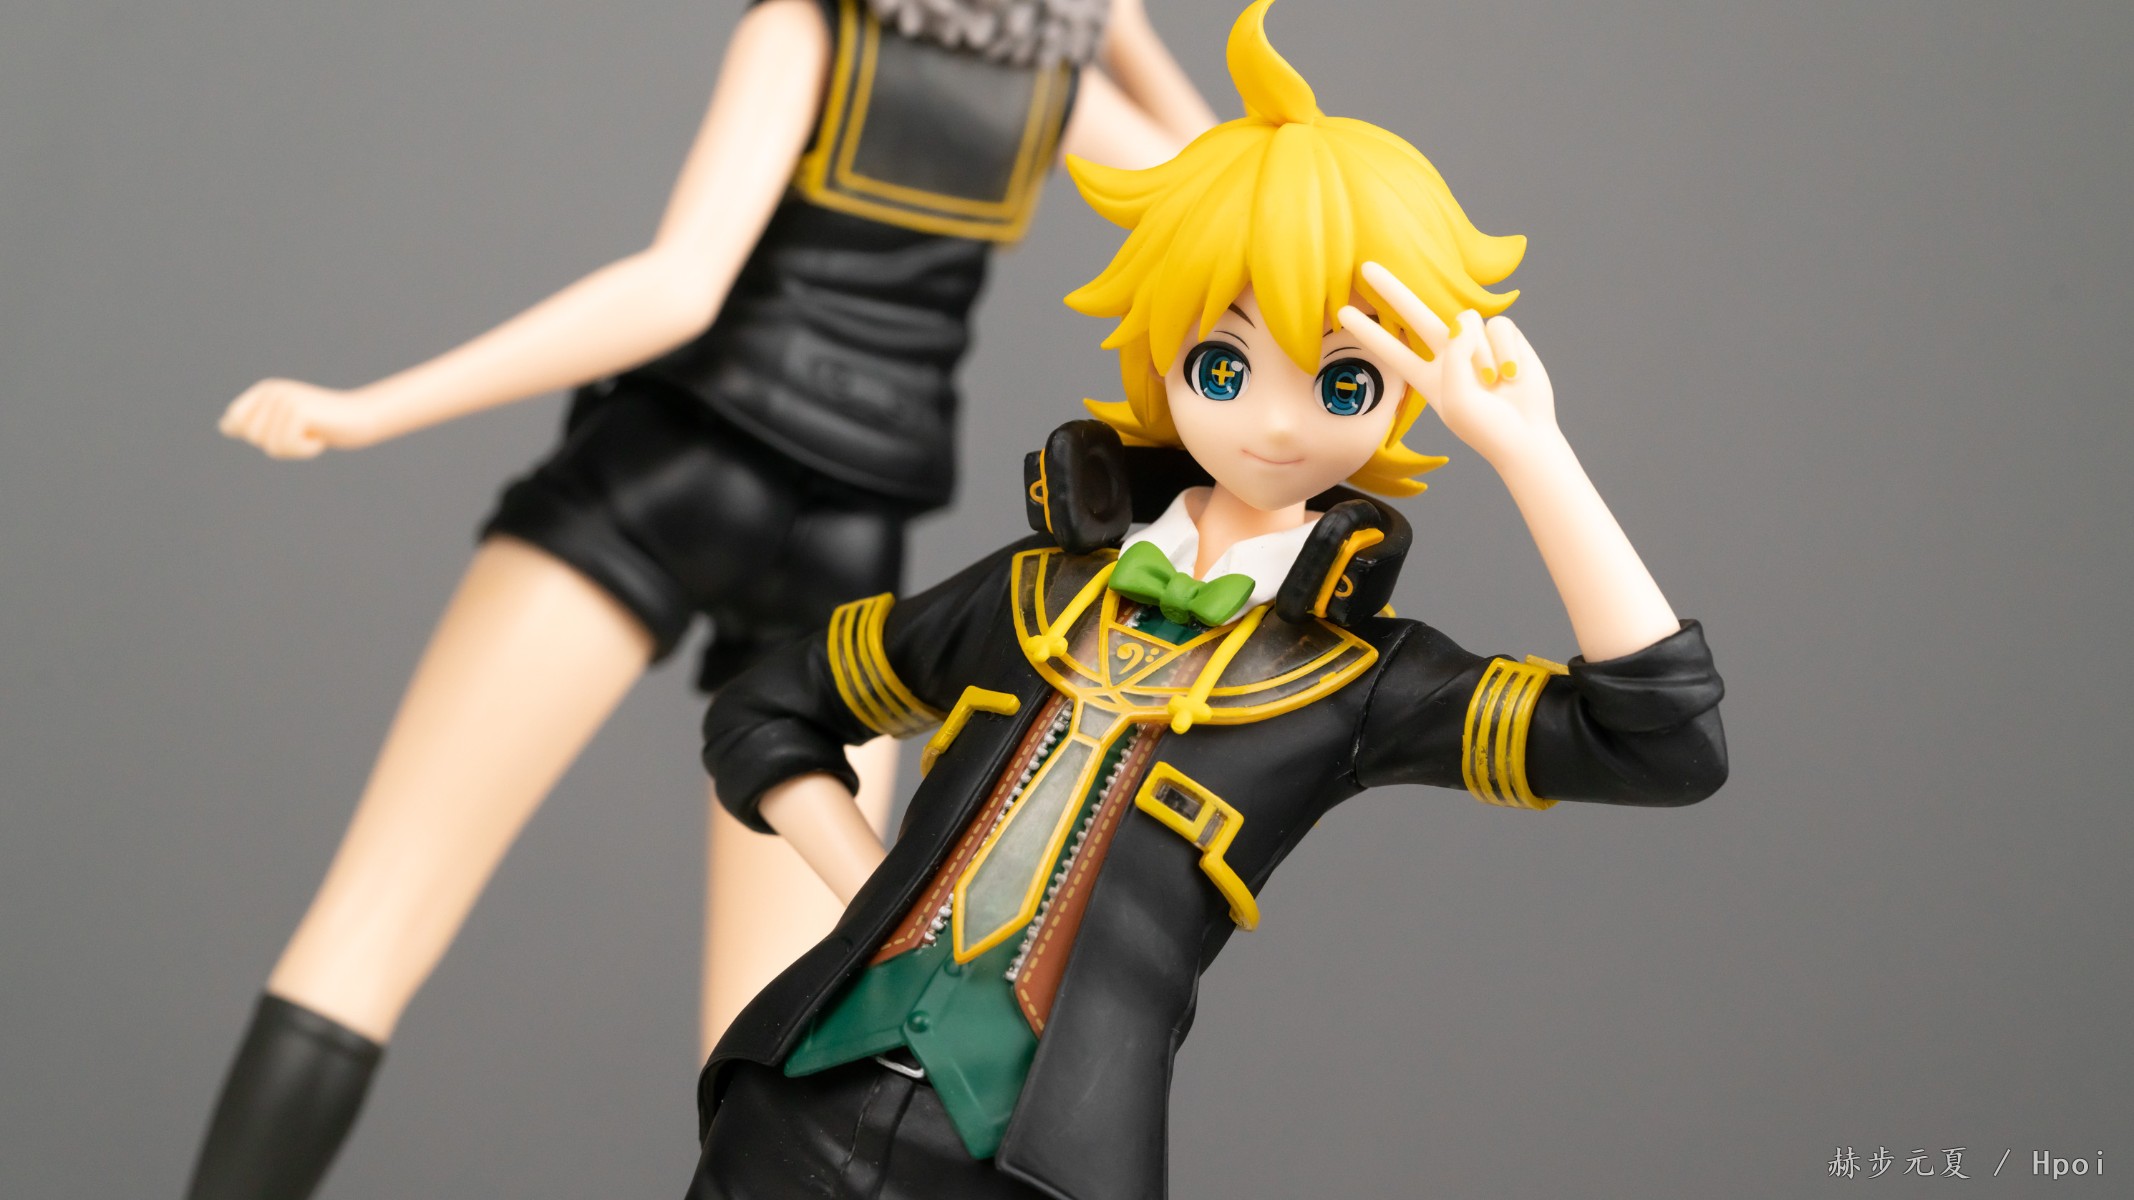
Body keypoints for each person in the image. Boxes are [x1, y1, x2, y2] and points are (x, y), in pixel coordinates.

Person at [688, 2, 1730, 1196]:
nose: (1277, 423)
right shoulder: (1035, 594)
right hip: (791, 1107)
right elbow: (768, 705)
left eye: (1343, 382)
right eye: (1223, 365)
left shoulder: (1353, 680)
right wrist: (875, 897)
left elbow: (1659, 743)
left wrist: (1531, 453)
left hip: (1037, 1165)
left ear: (1403, 393)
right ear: (1163, 349)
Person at [189, 2, 1216, 1198]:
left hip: (668, 472)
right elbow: (1233, 193)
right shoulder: (1055, 98)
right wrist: (1116, 31)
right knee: (774, 1046)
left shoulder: (807, 34)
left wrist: (375, 408)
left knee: (369, 926)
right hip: (846, 546)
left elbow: (679, 288)